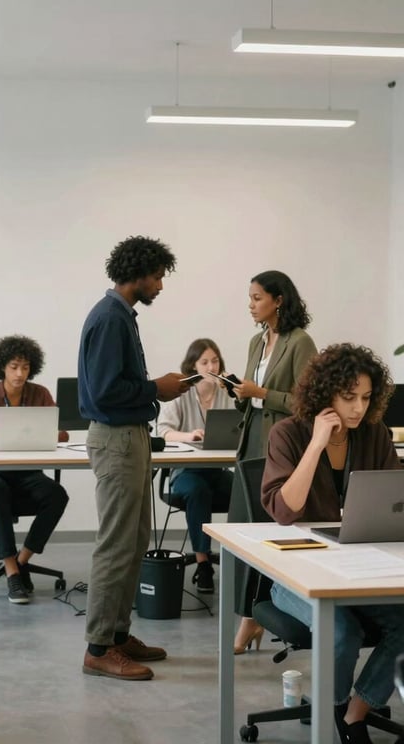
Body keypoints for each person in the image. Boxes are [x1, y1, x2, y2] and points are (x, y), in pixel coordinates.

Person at [262, 344, 404, 744]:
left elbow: (394, 501)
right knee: (341, 632)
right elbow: (286, 511)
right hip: (295, 573)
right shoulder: (287, 433)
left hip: (359, 565)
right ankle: (334, 707)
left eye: (366, 397)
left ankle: (353, 713)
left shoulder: (374, 435)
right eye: (348, 398)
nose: (359, 408)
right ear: (325, 395)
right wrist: (316, 444)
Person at [78, 235, 189, 681]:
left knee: (134, 540)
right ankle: (99, 648)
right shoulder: (109, 319)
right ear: (139, 274)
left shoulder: (122, 315)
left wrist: (154, 390)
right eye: (158, 276)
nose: (161, 285)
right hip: (117, 439)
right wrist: (155, 388)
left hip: (131, 435)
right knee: (117, 545)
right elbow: (105, 391)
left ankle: (119, 635)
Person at [226, 270, 317, 656]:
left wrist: (260, 392)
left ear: (278, 300)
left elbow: (308, 402)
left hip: (281, 448)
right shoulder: (255, 340)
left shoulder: (300, 342)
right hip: (250, 447)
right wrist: (238, 392)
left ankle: (253, 618)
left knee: (270, 535)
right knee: (243, 534)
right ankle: (248, 614)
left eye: (257, 297)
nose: (251, 304)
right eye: (250, 298)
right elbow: (250, 398)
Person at [0, 335, 70, 604]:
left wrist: (54, 434)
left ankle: (21, 561)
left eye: (25, 367)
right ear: (2, 368)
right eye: (14, 367)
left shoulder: (39, 394)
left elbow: (60, 433)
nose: (20, 374)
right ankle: (12, 573)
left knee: (57, 495)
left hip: (26, 473)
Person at [156, 338, 234, 594]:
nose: (211, 366)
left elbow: (238, 428)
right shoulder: (180, 392)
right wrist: (189, 436)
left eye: (215, 360)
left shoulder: (226, 393)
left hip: (217, 469)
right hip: (185, 471)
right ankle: (203, 564)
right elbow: (163, 431)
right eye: (205, 361)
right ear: (193, 366)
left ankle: (245, 562)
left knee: (245, 490)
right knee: (198, 492)